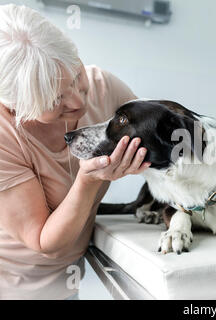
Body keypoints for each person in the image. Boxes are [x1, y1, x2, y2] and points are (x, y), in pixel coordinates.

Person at [0, 4, 151, 299]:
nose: (77, 102)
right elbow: (45, 240)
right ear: (17, 107)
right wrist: (88, 181)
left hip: (70, 275)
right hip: (16, 288)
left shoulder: (103, 86)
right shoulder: (5, 136)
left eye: (75, 77)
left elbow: (160, 129)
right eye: (54, 100)